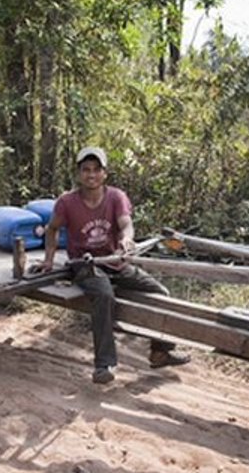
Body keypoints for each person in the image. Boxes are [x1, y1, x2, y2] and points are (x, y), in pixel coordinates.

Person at [40, 146, 190, 384]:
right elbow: (52, 229)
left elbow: (126, 224)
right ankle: (103, 365)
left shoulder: (116, 197)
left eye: (96, 170)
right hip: (85, 264)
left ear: (105, 174)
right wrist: (48, 260)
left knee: (162, 293)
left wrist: (127, 239)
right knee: (104, 296)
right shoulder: (67, 202)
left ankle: (161, 351)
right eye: (86, 170)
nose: (91, 175)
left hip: (114, 261)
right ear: (79, 174)